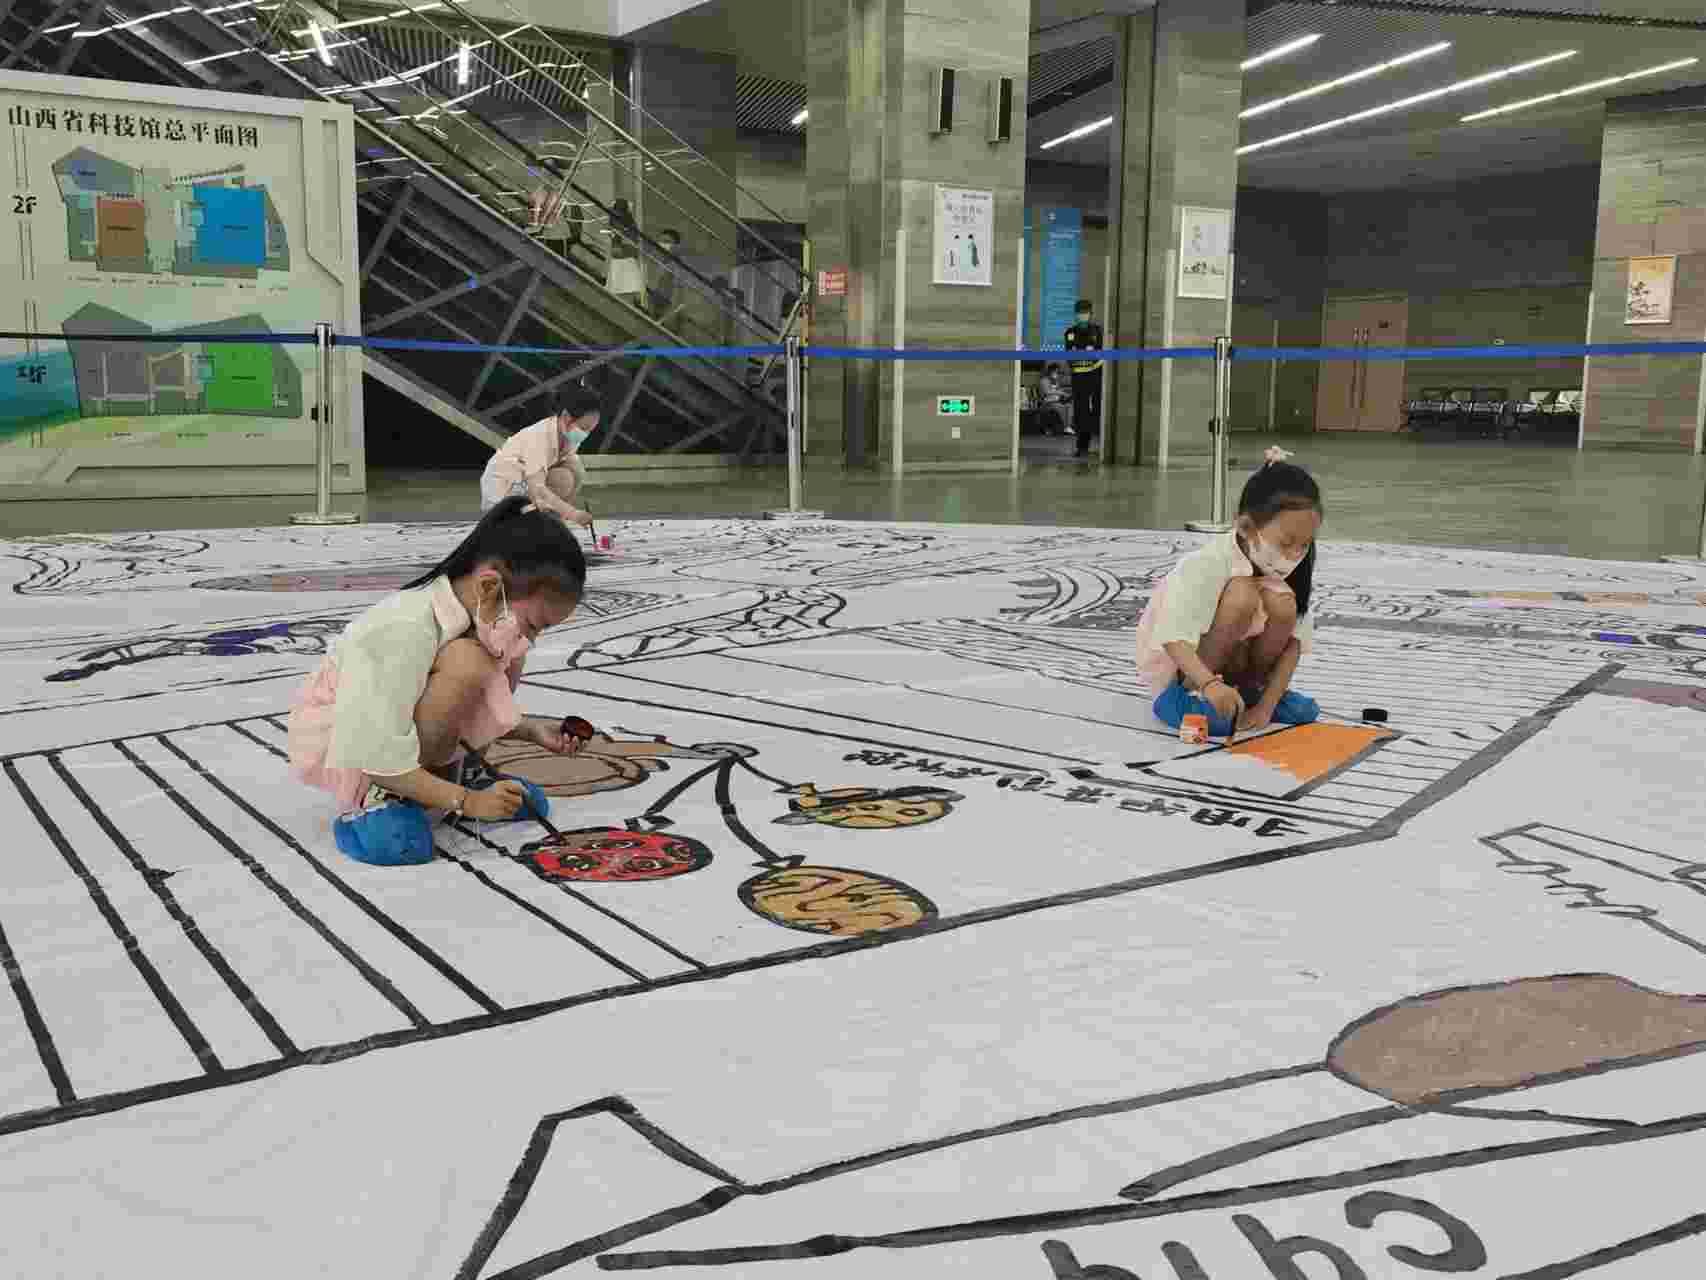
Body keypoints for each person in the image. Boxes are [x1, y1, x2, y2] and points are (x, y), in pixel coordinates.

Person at [286, 498, 595, 866]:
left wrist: (531, 730)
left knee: (498, 654)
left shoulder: (484, 619)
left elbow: (464, 702)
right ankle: (378, 798)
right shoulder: (399, 630)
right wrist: (468, 802)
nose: (531, 638)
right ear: (489, 587)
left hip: (410, 733)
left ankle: (453, 774)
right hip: (360, 750)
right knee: (400, 843)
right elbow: (375, 748)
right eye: (532, 625)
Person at [1133, 447, 1323, 738]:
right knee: (1242, 594)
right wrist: (1209, 685)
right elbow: (1173, 638)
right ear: (1246, 527)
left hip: (1237, 670)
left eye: (1305, 545)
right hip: (1186, 674)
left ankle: (1250, 693)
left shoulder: (1291, 572)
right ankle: (1188, 697)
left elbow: (1293, 644)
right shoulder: (1205, 564)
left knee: (1284, 603)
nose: (1295, 555)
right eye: (1286, 543)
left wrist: (1267, 706)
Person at [479, 385, 599, 527]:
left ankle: (553, 521)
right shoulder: (539, 437)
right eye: (584, 428)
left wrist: (564, 510)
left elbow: (572, 470)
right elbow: (538, 488)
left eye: (590, 430)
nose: (585, 434)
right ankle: (529, 522)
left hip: (525, 483)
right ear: (567, 417)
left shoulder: (568, 436)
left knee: (575, 467)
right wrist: (573, 513)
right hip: (502, 494)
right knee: (562, 479)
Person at [1064, 299, 1104, 458]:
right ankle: (1082, 447)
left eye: (1085, 313)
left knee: (1097, 410)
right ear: (1075, 315)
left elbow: (1099, 352)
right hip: (1078, 376)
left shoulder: (1097, 331)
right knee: (1081, 412)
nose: (1082, 316)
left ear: (1090, 314)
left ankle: (1101, 445)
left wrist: (1086, 355)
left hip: (1094, 375)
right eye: (1080, 313)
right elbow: (1070, 355)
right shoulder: (1070, 333)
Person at [605, 197, 644, 303]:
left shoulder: (624, 222)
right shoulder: (628, 223)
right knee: (626, 288)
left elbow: (621, 242)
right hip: (624, 258)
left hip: (624, 258)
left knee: (625, 288)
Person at [647, 227, 682, 321]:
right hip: (652, 306)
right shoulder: (655, 262)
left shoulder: (675, 267)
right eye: (661, 241)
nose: (662, 245)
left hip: (664, 312)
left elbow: (674, 295)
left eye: (667, 242)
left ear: (676, 246)